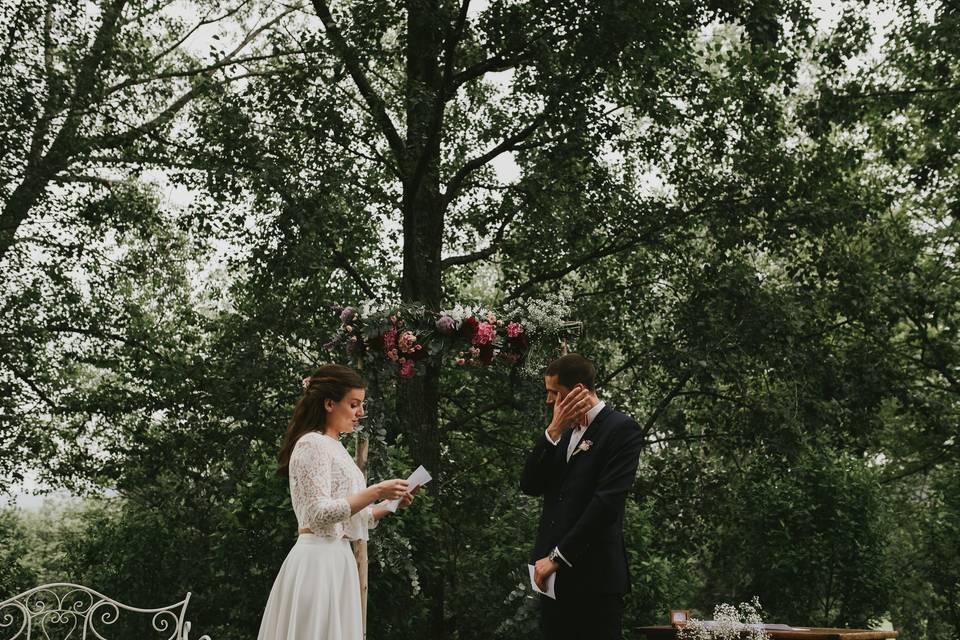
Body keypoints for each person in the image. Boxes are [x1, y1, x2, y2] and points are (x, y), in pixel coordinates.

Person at [258, 364, 413, 640]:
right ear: (329, 403)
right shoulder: (311, 444)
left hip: (338, 560)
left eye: (361, 405)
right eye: (354, 405)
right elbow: (318, 513)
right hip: (317, 561)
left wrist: (391, 504)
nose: (360, 413)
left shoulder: (336, 447)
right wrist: (377, 490)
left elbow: (355, 516)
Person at [520, 353, 645, 640]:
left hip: (595, 581)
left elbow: (606, 503)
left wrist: (558, 556)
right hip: (551, 581)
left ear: (578, 390)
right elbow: (529, 485)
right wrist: (551, 432)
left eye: (555, 393)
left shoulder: (621, 430)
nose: (549, 401)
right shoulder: (560, 432)